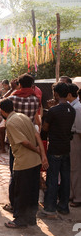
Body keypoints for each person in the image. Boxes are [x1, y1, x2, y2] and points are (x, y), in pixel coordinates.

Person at [0, 99, 48, 228]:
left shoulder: (9, 122)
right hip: (35, 161)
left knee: (21, 192)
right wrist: (42, 155)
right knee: (32, 191)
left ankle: (20, 219)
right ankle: (31, 218)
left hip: (23, 162)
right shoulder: (23, 116)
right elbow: (37, 135)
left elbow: (24, 142)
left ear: (2, 111)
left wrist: (36, 149)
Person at [41, 82, 76, 218]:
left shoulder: (53, 111)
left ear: (55, 93)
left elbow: (45, 128)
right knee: (65, 177)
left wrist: (48, 112)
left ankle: (49, 208)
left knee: (52, 178)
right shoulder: (71, 110)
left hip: (54, 147)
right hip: (66, 147)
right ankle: (63, 206)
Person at [67, 84, 81, 208]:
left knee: (76, 169)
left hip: (76, 138)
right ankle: (72, 194)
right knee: (72, 168)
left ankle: (78, 197)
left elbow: (79, 129)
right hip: (72, 138)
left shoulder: (77, 108)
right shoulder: (73, 106)